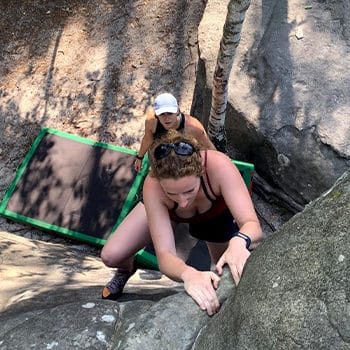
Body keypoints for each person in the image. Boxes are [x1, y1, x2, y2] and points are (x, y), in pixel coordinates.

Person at [101, 130, 263, 315]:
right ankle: (126, 269)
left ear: (201, 170)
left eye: (189, 190)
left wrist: (240, 240)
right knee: (111, 255)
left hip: (213, 215)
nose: (183, 202)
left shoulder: (219, 166)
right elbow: (165, 255)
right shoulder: (153, 184)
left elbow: (252, 224)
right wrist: (189, 275)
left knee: (226, 269)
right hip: (169, 214)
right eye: (172, 193)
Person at [134, 92, 215, 172]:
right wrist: (139, 157)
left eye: (170, 113)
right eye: (162, 114)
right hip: (159, 160)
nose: (166, 118)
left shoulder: (193, 127)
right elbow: (148, 139)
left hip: (183, 164)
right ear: (156, 114)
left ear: (177, 111)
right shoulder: (151, 122)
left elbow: (209, 148)